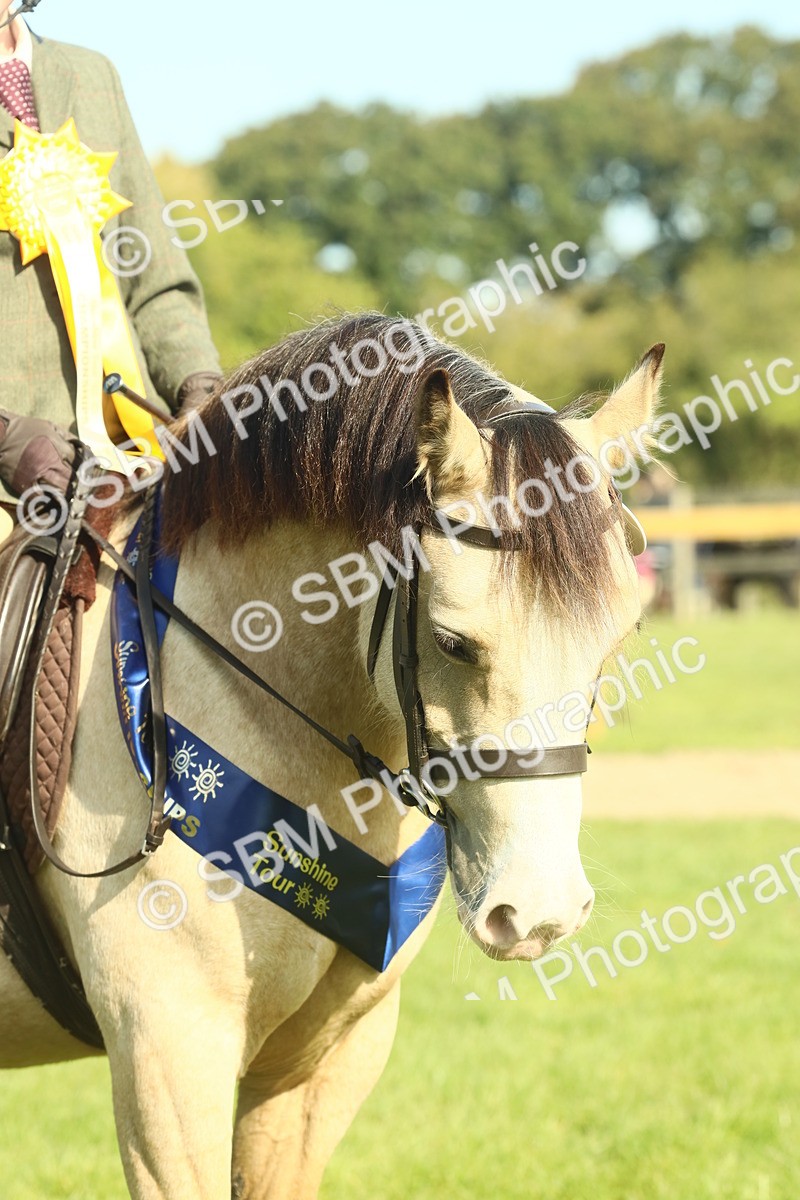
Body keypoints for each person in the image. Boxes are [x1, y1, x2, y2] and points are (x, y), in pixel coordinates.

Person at [0, 0, 223, 537]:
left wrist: (201, 386)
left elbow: (154, 273)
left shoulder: (93, 75)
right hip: (15, 471)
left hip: (131, 450)